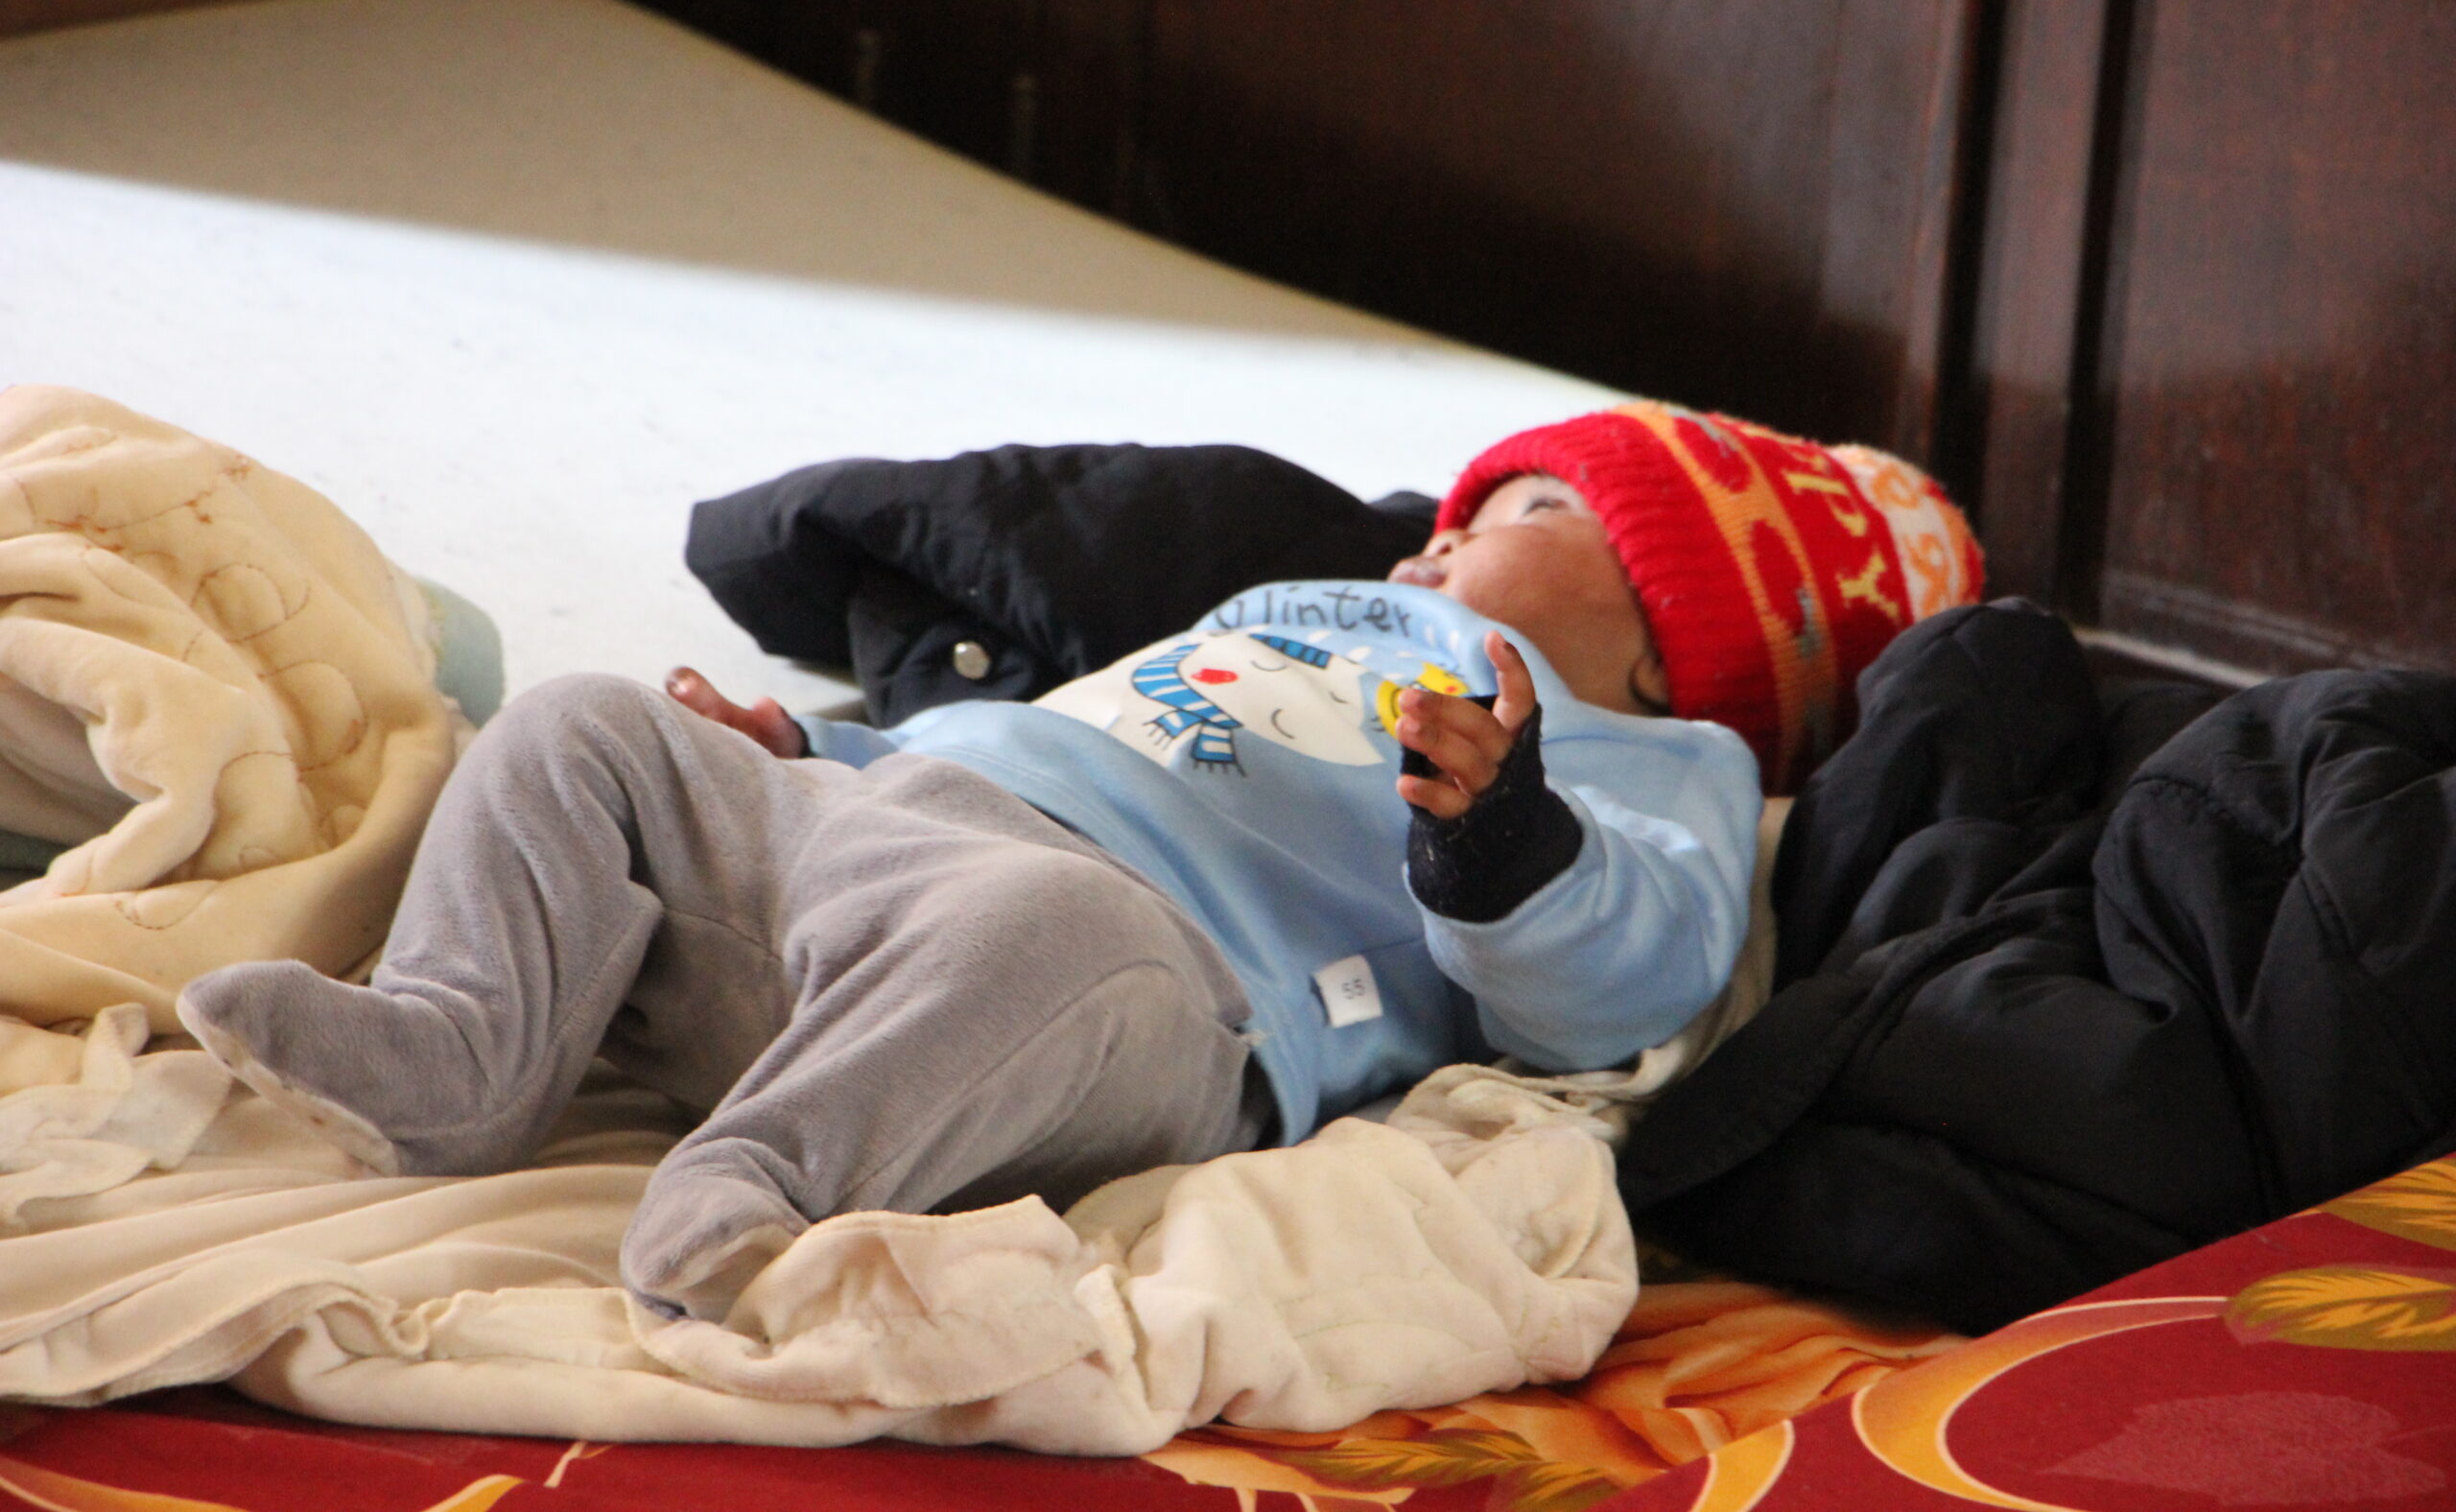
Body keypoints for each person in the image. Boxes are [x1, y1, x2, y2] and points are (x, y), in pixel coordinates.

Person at [177, 401, 1980, 1321]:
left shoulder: (1658, 762)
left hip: (1160, 982)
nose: (1441, 528)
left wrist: (1510, 841)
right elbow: (1049, 725)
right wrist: (807, 752)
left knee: (1045, 931)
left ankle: (760, 1194)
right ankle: (455, 1047)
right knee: (576, 723)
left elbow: (1636, 987)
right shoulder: (1299, 605)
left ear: (1677, 633)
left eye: (1517, 514)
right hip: (875, 848)